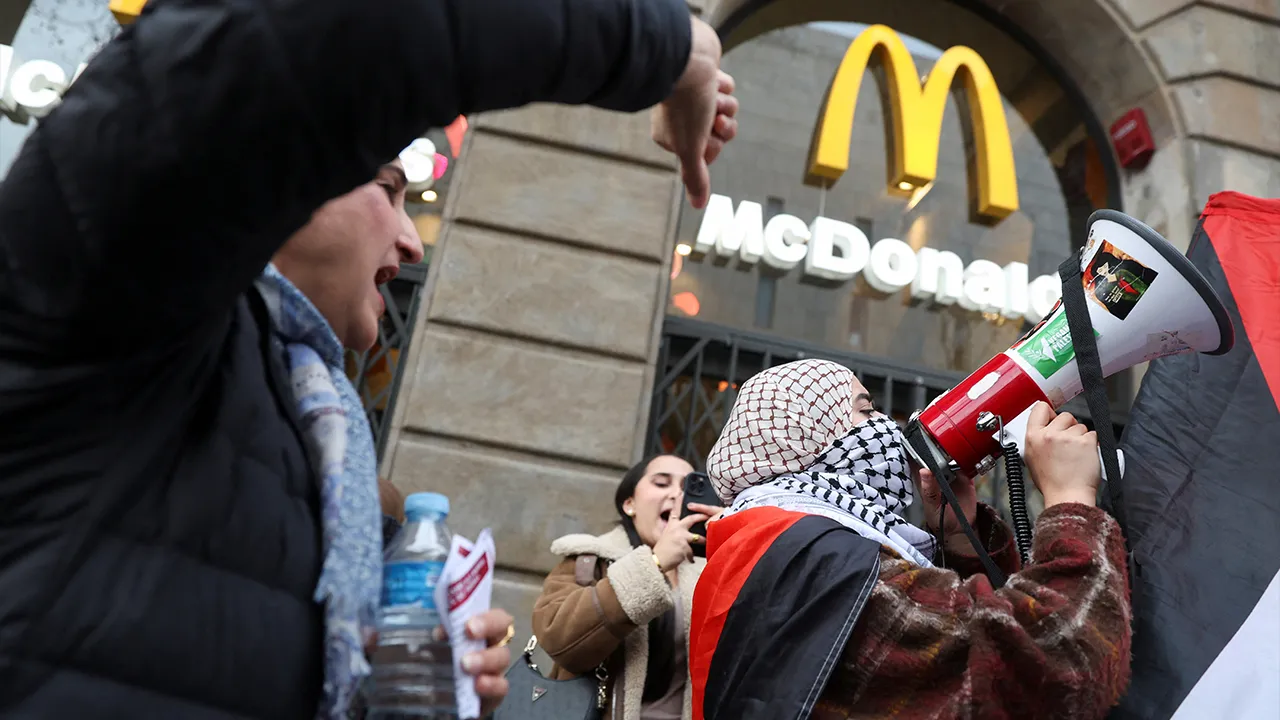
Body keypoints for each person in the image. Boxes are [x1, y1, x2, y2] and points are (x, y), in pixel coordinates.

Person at [0, 0, 739, 715]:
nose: (414, 239)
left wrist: (395, 687)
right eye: (388, 188)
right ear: (279, 170)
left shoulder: (293, 403)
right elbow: (337, 30)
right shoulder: (115, 285)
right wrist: (673, 48)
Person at [688, 359, 1131, 720]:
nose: (883, 424)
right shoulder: (822, 561)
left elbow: (943, 662)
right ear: (807, 438)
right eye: (864, 411)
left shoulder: (772, 548)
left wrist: (960, 539)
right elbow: (1054, 664)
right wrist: (1070, 499)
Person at [532, 455, 723, 719]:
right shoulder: (589, 560)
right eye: (661, 483)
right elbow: (559, 640)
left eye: (686, 486)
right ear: (629, 504)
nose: (675, 495)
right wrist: (655, 563)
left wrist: (732, 542)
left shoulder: (713, 572)